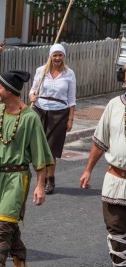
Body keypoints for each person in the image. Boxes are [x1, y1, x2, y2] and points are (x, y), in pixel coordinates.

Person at [0, 71, 54, 267]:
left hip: (16, 177)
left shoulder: (30, 118)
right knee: (7, 222)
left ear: (9, 90)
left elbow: (39, 156)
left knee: (3, 225)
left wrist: (40, 186)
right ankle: (20, 255)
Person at [79, 92, 126, 266]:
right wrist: (87, 170)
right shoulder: (114, 105)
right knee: (116, 233)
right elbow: (100, 141)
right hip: (116, 181)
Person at [29, 43, 76, 194]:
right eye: (54, 55)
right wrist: (32, 96)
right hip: (40, 110)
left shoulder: (69, 74)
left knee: (51, 149)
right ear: (50, 56)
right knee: (39, 148)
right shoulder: (41, 71)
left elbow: (71, 98)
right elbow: (32, 90)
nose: (57, 58)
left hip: (59, 113)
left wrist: (70, 119)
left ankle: (50, 178)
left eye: (60, 55)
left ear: (64, 56)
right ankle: (40, 181)